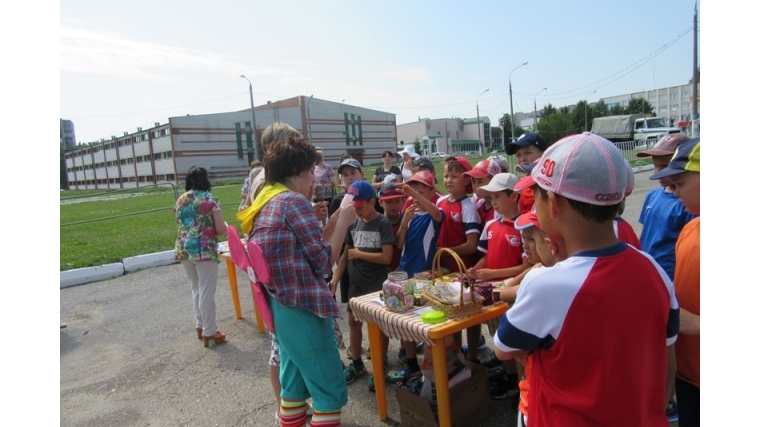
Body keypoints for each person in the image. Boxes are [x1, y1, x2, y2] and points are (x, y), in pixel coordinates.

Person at [494, 133, 679, 427]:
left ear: (552, 204)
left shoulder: (545, 284)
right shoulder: (652, 269)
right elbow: (668, 356)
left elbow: (504, 348)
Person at [251, 134, 356, 427]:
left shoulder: (267, 201)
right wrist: (345, 223)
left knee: (294, 390)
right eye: (311, 171)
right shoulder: (294, 202)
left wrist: (334, 221)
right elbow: (323, 262)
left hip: (281, 306)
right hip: (304, 308)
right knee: (328, 392)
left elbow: (299, 251)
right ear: (297, 172)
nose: (314, 179)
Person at [649, 137, 700, 427]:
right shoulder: (691, 227)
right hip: (687, 370)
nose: (674, 192)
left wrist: (676, 318)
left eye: (680, 184)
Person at [466, 172, 530, 399]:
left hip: (512, 293)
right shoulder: (491, 224)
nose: (492, 202)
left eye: (497, 197)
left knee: (513, 339)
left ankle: (519, 381)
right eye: (490, 198)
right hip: (491, 291)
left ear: (514, 196)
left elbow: (525, 266)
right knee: (498, 334)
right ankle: (509, 375)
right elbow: (485, 255)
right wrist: (476, 270)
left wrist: (494, 273)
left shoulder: (524, 227)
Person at [505, 209, 568, 427]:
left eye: (531, 239)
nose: (524, 245)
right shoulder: (542, 271)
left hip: (540, 396)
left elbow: (504, 348)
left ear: (550, 244)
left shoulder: (541, 280)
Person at [335, 181, 395, 390]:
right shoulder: (354, 223)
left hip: (376, 285)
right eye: (354, 207)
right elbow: (345, 255)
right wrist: (334, 280)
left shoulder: (383, 224)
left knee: (378, 327)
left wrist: (360, 254)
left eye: (360, 206)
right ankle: (357, 363)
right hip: (356, 284)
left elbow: (387, 258)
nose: (357, 210)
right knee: (353, 322)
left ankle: (380, 364)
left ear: (373, 202)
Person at [393, 170, 444, 379]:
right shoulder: (411, 213)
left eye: (422, 191)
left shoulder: (435, 214)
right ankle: (412, 362)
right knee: (404, 320)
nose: (416, 196)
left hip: (423, 275)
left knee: (424, 321)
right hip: (405, 273)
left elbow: (438, 214)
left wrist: (413, 193)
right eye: (414, 192)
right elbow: (398, 243)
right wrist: (404, 221)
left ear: (432, 192)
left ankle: (431, 366)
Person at [173, 166, 228, 347]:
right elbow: (220, 229)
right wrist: (227, 228)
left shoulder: (181, 200)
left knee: (196, 288)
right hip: (203, 249)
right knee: (206, 292)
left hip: (184, 249)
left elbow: (180, 222)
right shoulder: (210, 199)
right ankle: (210, 330)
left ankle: (200, 325)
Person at [636, 133, 697, 280]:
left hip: (670, 277)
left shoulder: (687, 203)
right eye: (655, 165)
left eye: (665, 166)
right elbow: (646, 233)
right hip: (647, 271)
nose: (658, 172)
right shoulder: (652, 196)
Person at [505, 133, 548, 214]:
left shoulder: (549, 184)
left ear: (544, 153)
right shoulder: (520, 183)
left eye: (528, 153)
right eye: (518, 155)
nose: (522, 159)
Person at [464, 159, 503, 225]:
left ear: (494, 182)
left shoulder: (500, 210)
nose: (476, 187)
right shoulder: (476, 199)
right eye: (473, 181)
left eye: (480, 182)